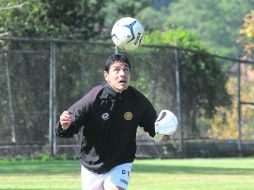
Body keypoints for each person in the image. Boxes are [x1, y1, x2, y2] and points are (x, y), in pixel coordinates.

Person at [55, 53, 168, 190]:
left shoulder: (138, 101)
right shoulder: (94, 98)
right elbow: (69, 125)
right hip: (91, 164)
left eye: (126, 69)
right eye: (117, 70)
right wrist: (64, 125)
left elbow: (154, 128)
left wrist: (163, 134)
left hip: (121, 161)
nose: (122, 74)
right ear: (106, 75)